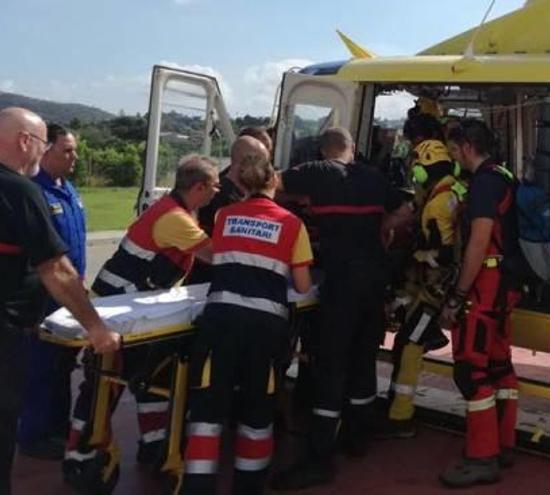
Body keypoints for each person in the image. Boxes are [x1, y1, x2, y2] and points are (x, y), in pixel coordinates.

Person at [270, 127, 411, 490]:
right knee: (364, 357)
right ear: (352, 149)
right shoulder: (374, 178)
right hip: (373, 281)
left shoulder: (318, 172)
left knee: (330, 364)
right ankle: (358, 436)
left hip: (342, 283)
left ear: (323, 150)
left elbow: (270, 183)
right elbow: (406, 208)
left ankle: (319, 456)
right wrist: (383, 229)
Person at [64, 155, 218, 485]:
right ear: (199, 187)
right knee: (103, 383)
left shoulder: (176, 210)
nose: (215, 194)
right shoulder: (175, 219)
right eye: (214, 188)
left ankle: (154, 443)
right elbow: (213, 254)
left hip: (132, 308)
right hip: (115, 310)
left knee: (153, 376)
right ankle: (81, 455)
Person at [0, 107, 120, 494]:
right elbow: (56, 269)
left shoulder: (57, 190)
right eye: (40, 143)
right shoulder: (19, 191)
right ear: (25, 142)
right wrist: (97, 328)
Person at [181, 152, 313, 495]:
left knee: (207, 415)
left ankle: (197, 486)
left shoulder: (224, 216)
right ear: (275, 181)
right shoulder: (292, 224)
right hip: (265, 330)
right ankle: (249, 486)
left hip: (220, 322)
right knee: (257, 415)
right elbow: (301, 285)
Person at [437, 119, 522, 488]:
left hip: (485, 286)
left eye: (455, 150)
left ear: (467, 148)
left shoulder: (484, 184)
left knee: (471, 371)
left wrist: (458, 294)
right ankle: (504, 445)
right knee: (500, 365)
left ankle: (482, 457)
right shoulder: (505, 177)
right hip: (507, 286)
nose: (454, 158)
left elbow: (478, 242)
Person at [383, 136, 466, 438]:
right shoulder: (455, 189)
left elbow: (443, 255)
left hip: (436, 290)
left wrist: (414, 255)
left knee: (408, 345)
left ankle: (400, 416)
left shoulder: (436, 206)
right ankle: (396, 405)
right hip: (441, 287)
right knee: (406, 337)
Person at [18, 124, 87, 460]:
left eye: (74, 150)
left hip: (70, 296)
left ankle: (58, 429)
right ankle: (32, 435)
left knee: (63, 367)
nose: (74, 157)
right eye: (67, 150)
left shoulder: (69, 190)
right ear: (45, 151)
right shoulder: (34, 193)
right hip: (44, 297)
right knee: (40, 368)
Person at [187, 136, 269, 284]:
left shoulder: (220, 191)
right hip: (210, 281)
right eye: (261, 164)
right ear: (246, 162)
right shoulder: (224, 199)